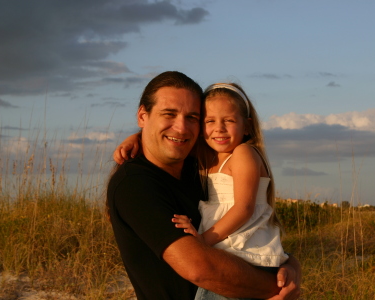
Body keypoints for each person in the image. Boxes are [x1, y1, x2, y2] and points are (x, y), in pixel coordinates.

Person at [108, 71, 301, 300]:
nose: (181, 127)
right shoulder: (135, 183)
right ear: (143, 116)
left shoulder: (198, 167)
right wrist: (275, 288)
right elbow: (199, 268)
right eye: (168, 114)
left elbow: (244, 235)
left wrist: (291, 265)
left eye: (192, 117)